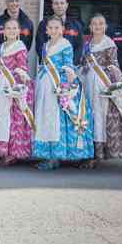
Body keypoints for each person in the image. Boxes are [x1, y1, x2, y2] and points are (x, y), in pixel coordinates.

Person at [33, 16, 94, 170]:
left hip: (58, 86)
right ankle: (47, 154)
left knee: (57, 121)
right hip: (45, 86)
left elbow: (68, 66)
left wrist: (67, 88)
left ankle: (56, 156)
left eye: (56, 28)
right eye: (50, 28)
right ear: (46, 30)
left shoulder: (65, 44)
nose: (53, 30)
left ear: (62, 30)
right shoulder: (45, 45)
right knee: (45, 119)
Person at [80, 13, 122, 168]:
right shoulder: (88, 43)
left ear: (105, 26)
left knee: (100, 117)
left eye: (101, 23)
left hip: (102, 86)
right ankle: (89, 152)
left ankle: (97, 155)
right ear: (90, 27)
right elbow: (83, 63)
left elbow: (113, 65)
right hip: (88, 84)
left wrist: (115, 83)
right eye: (94, 24)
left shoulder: (109, 43)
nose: (98, 26)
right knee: (89, 117)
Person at [0, 19, 34, 166]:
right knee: (0, 118)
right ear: (4, 31)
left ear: (18, 31)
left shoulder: (20, 47)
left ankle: (12, 153)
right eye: (8, 28)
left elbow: (23, 68)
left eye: (14, 28)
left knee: (11, 119)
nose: (11, 30)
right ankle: (1, 151)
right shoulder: (0, 47)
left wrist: (17, 87)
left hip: (12, 85)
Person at [35, 0, 83, 65]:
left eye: (62, 3)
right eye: (56, 3)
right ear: (52, 5)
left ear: (66, 5)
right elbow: (40, 46)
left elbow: (79, 48)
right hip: (50, 69)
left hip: (69, 70)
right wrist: (51, 64)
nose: (59, 6)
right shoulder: (44, 24)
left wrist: (70, 65)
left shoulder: (76, 25)